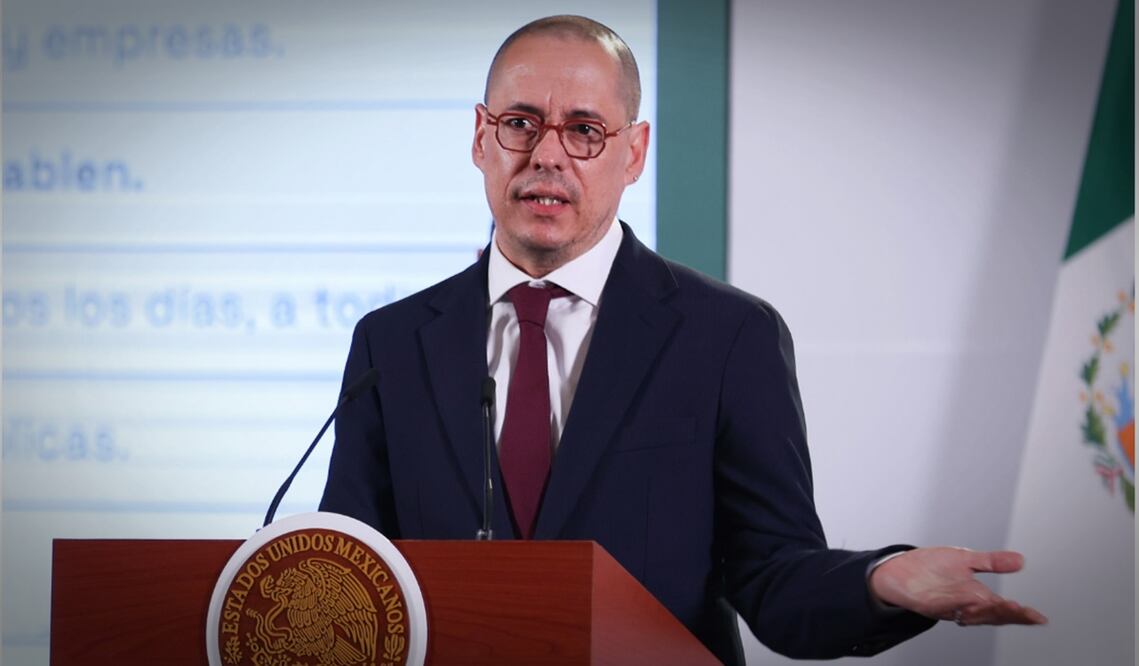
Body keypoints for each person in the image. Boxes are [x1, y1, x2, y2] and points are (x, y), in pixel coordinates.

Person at [320, 15, 1046, 664]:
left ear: (632, 154)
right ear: (481, 138)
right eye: (519, 123)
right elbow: (345, 574)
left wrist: (878, 582)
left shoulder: (726, 336)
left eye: (583, 130)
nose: (546, 155)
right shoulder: (392, 343)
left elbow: (771, 579)